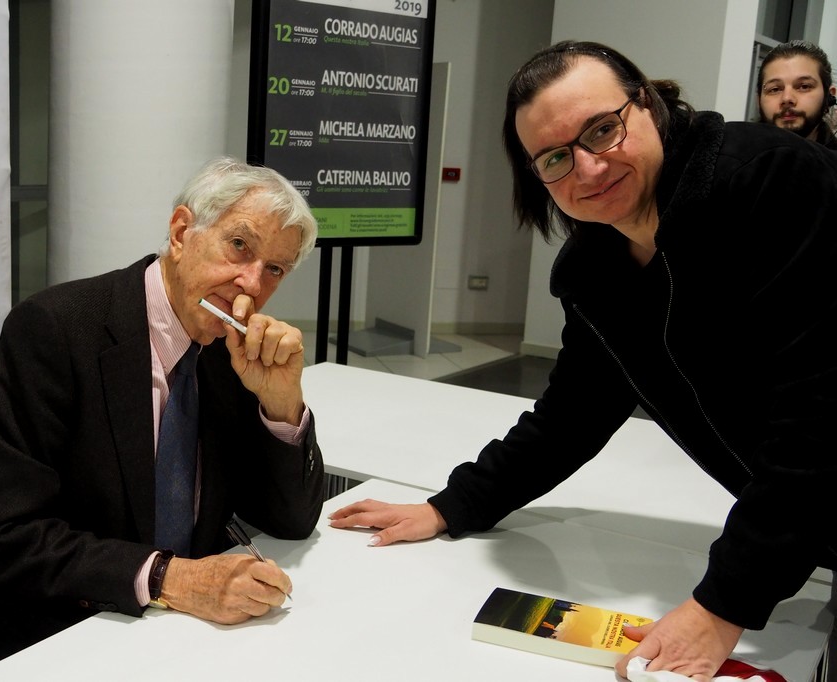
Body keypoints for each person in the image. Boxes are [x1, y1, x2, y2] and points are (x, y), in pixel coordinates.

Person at [329, 41, 837, 682]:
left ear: (647, 104)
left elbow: (820, 415)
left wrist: (721, 606)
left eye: (602, 130)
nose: (589, 169)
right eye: (555, 157)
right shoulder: (597, 269)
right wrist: (451, 506)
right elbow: (571, 415)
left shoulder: (771, 179)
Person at [0, 157, 325, 664]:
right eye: (239, 246)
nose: (252, 285)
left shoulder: (230, 351)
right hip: (47, 631)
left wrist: (281, 402)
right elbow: (4, 538)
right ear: (181, 233)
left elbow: (290, 521)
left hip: (176, 637)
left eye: (274, 269)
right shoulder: (54, 330)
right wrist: (172, 577)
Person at [757, 40, 837, 150]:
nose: (787, 98)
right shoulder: (736, 155)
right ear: (758, 100)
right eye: (775, 89)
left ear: (828, 97)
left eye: (804, 87)